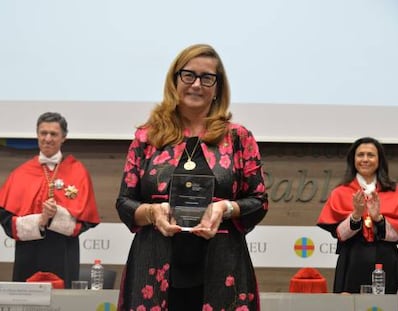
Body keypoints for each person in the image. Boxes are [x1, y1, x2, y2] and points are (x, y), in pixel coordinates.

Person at [116, 44, 268, 311]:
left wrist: (225, 207)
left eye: (207, 78)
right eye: (188, 75)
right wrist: (152, 212)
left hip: (223, 268)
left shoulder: (238, 137)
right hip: (153, 266)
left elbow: (259, 201)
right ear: (175, 80)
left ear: (218, 87)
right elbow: (125, 203)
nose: (197, 84)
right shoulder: (147, 137)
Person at [0, 112, 100, 289]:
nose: (47, 138)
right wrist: (40, 221)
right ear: (37, 135)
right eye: (43, 133)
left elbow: (86, 220)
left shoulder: (78, 172)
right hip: (28, 255)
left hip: (63, 253)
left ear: (64, 137)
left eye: (53, 134)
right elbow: (6, 219)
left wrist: (56, 216)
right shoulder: (21, 173)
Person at [317, 136, 398, 294]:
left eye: (371, 155)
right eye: (360, 155)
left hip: (386, 258)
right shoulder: (341, 191)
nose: (365, 159)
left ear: (379, 160)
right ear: (353, 160)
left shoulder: (393, 190)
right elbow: (340, 234)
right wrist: (355, 216)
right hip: (352, 259)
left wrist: (379, 219)